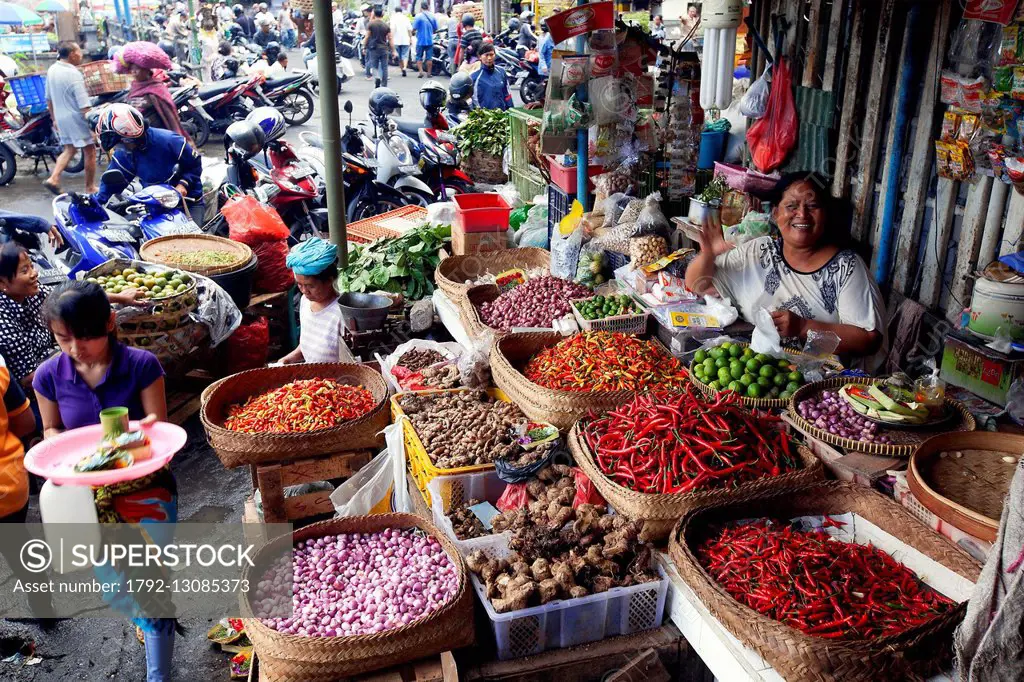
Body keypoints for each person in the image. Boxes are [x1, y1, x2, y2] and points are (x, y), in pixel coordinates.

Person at [32, 281, 176, 682]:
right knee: (116, 590)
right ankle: (146, 624)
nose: (76, 349)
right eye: (64, 338)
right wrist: (66, 454)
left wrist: (144, 430)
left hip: (148, 492)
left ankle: (158, 672)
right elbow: (50, 430)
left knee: (151, 585)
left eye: (87, 337)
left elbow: (160, 431)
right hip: (88, 500)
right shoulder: (49, 375)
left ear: (110, 323)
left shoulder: (143, 364)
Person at [684, 173, 887, 368]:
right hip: (757, 374)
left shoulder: (846, 268)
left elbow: (869, 339)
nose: (802, 214)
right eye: (791, 206)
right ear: (775, 213)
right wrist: (708, 255)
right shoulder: (759, 251)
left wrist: (803, 327)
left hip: (822, 388)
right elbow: (696, 284)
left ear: (825, 213)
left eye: (813, 206)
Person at [94, 104, 205, 225]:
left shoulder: (169, 141)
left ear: (131, 136)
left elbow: (194, 164)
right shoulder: (125, 153)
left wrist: (183, 185)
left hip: (188, 202)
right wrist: (94, 203)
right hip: (155, 206)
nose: (119, 148)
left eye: (120, 143)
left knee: (191, 241)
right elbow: (112, 182)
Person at [279, 238, 357, 364]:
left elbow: (350, 363)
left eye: (310, 286)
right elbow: (307, 347)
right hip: (311, 379)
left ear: (329, 280)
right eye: (299, 284)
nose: (304, 291)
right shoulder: (305, 302)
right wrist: (286, 360)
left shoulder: (341, 314)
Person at [43, 42, 97, 195]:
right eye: (79, 52)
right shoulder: (73, 74)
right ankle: (90, 187)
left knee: (69, 149)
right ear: (72, 54)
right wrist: (92, 125)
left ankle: (53, 178)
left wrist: (54, 119)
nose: (81, 55)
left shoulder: (52, 69)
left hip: (61, 117)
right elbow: (84, 105)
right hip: (75, 117)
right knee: (90, 150)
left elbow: (48, 98)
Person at [126, 64, 190, 142]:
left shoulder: (158, 88)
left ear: (146, 71)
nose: (134, 72)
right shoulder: (134, 88)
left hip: (158, 134)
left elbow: (170, 116)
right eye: (132, 69)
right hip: (138, 134)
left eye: (137, 69)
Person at [470, 43, 511, 110]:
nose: (489, 58)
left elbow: (507, 94)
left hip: (503, 115)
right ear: (480, 57)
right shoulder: (474, 77)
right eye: (486, 55)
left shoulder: (501, 72)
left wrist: (511, 110)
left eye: (491, 55)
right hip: (484, 117)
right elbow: (471, 100)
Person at [364, 6, 394, 88]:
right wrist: (394, 50)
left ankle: (377, 77)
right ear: (382, 14)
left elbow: (367, 37)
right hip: (384, 48)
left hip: (373, 48)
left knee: (374, 66)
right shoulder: (386, 25)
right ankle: (384, 85)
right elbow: (390, 38)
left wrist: (364, 47)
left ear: (374, 14)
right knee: (385, 67)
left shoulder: (371, 24)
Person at [412, 1, 436, 78]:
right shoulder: (432, 16)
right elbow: (435, 28)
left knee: (419, 57)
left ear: (421, 7)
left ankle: (421, 72)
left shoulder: (418, 16)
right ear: (428, 7)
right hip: (429, 40)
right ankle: (429, 73)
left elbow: (414, 28)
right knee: (429, 57)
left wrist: (412, 33)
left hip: (420, 40)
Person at [390, 8, 412, 77]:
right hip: (405, 39)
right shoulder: (406, 18)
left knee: (399, 56)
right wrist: (410, 38)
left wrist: (391, 38)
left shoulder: (393, 18)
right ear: (401, 11)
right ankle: (405, 67)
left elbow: (392, 29)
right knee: (405, 55)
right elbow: (409, 29)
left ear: (395, 11)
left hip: (396, 40)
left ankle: (402, 69)